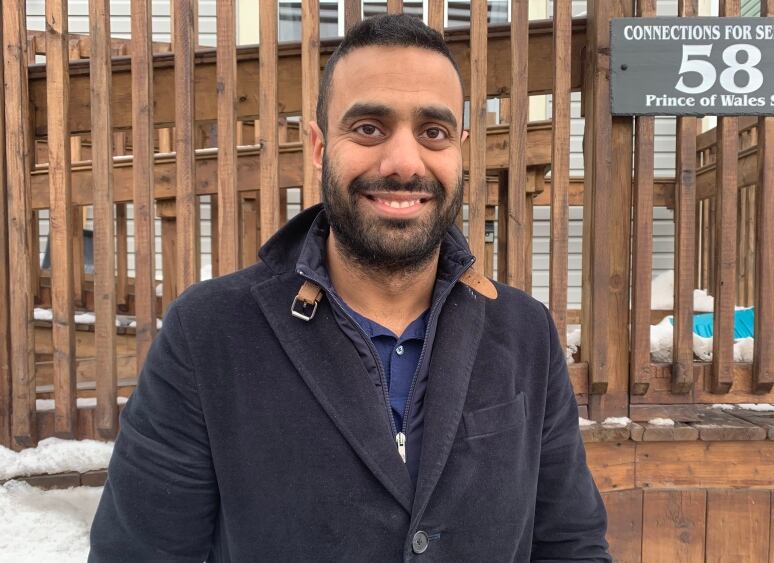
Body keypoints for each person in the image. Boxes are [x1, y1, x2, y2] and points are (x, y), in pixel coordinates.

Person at [89, 14, 611, 562]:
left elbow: (568, 544)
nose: (404, 163)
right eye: (368, 128)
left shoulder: (523, 331)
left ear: (460, 148)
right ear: (319, 146)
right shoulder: (210, 333)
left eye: (432, 132)